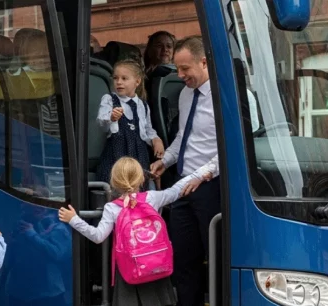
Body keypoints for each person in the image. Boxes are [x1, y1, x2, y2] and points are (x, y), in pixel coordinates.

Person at [59, 157, 202, 306]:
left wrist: (74, 219)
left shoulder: (112, 208)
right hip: (155, 266)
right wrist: (199, 174)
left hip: (130, 268)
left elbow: (98, 236)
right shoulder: (152, 198)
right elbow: (176, 191)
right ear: (141, 179)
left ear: (114, 181)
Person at [148, 35, 220, 306]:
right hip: (182, 186)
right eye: (177, 69)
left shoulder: (227, 95)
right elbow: (183, 137)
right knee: (184, 259)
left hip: (210, 187)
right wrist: (165, 160)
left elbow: (230, 149)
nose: (180, 75)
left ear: (203, 62)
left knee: (216, 259)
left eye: (185, 69)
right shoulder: (186, 94)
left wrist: (204, 174)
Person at [95, 59, 164, 184]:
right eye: (116, 78)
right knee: (116, 185)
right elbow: (101, 123)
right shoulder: (110, 99)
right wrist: (111, 117)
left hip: (139, 154)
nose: (119, 82)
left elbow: (147, 128)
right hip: (117, 153)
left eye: (124, 78)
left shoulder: (142, 104)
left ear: (137, 81)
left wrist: (156, 139)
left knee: (138, 185)